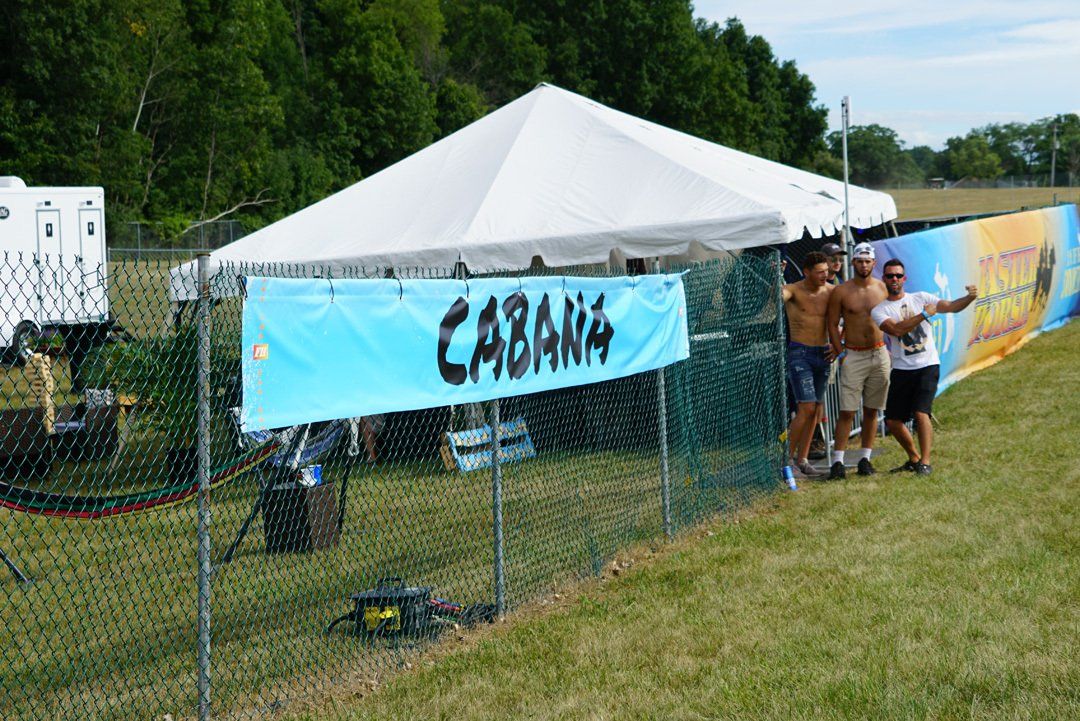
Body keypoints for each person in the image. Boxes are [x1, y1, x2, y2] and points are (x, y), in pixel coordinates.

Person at [870, 258, 977, 475]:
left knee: (921, 412)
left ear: (904, 278)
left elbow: (951, 307)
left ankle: (925, 463)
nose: (894, 279)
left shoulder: (921, 298)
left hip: (927, 364)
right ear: (884, 279)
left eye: (898, 276)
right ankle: (914, 458)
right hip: (901, 368)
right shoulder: (879, 310)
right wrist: (925, 314)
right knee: (892, 420)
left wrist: (969, 297)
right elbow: (897, 330)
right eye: (890, 276)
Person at [826, 242, 890, 479]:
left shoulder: (882, 288)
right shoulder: (841, 291)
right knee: (847, 410)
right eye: (859, 261)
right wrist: (839, 350)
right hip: (853, 354)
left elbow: (893, 318)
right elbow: (832, 323)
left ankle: (865, 458)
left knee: (872, 409)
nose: (864, 265)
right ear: (853, 263)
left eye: (868, 261)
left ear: (874, 263)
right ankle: (838, 462)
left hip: (879, 352)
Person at [782, 251, 836, 477]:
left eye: (826, 271)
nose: (825, 275)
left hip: (823, 353)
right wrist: (778, 276)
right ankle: (785, 461)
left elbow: (847, 317)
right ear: (806, 272)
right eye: (820, 272)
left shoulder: (832, 291)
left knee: (815, 409)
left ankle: (803, 459)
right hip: (800, 353)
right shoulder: (794, 290)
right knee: (806, 407)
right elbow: (778, 296)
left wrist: (838, 343)